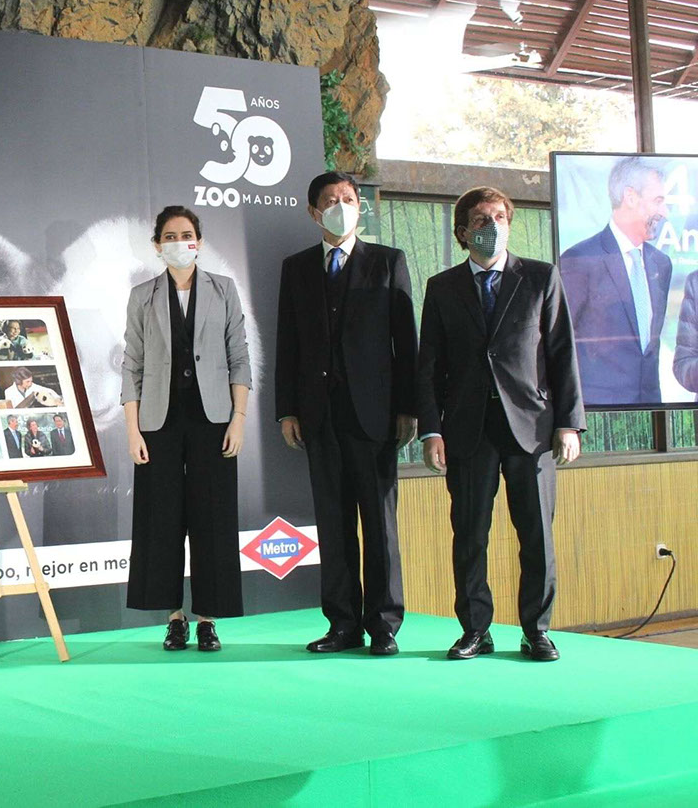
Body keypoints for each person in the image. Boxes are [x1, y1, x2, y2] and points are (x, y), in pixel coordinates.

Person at [417, 187, 585, 663]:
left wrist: (569, 424)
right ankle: (475, 629)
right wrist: (432, 430)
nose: (490, 226)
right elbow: (428, 366)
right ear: (462, 231)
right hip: (467, 431)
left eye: (497, 217)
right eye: (479, 220)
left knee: (536, 535)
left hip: (531, 429)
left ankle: (537, 630)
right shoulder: (442, 287)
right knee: (469, 534)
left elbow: (561, 354)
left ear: (509, 223)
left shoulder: (539, 277)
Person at [275, 171, 417, 656]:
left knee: (379, 523)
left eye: (349, 198)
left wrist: (407, 408)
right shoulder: (295, 269)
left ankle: (383, 624)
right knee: (333, 524)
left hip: (375, 416)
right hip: (318, 417)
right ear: (314, 213)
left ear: (360, 207)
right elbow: (287, 344)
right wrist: (287, 410)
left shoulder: (388, 262)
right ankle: (342, 624)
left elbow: (407, 344)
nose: (341, 205)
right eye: (331, 200)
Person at [121, 205, 251, 653]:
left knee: (213, 518)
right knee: (161, 518)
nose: (180, 241)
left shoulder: (224, 289)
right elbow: (131, 365)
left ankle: (208, 619)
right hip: (158, 422)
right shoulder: (142, 295)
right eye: (170, 235)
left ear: (199, 240)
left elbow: (240, 356)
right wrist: (133, 430)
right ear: (157, 245)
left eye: (188, 234)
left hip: (213, 420)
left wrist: (238, 417)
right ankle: (173, 617)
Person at [559, 156, 672, 405]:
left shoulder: (661, 264)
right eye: (658, 201)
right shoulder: (581, 258)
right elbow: (561, 340)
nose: (664, 212)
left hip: (651, 408)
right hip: (597, 412)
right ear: (630, 197)